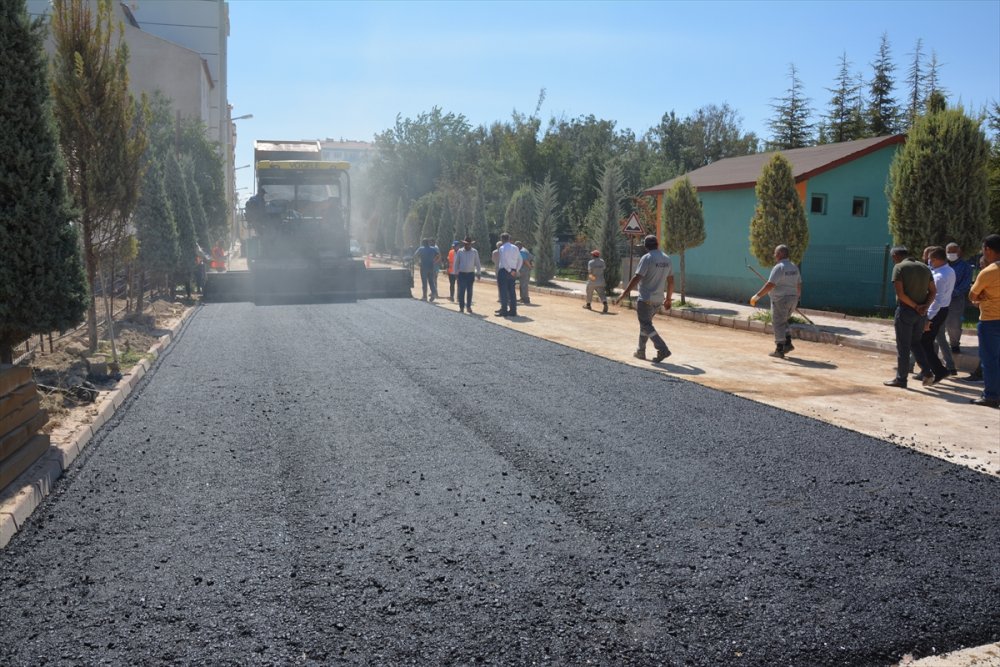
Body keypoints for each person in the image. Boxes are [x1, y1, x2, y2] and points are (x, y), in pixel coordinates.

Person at [615, 234, 673, 363]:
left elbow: (637, 277)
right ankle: (640, 351)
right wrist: (668, 299)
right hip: (658, 300)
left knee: (646, 325)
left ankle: (662, 348)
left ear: (646, 246)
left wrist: (624, 294)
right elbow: (671, 281)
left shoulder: (647, 258)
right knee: (645, 325)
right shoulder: (667, 259)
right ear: (657, 244)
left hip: (646, 299)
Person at [884, 246, 936, 388]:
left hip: (907, 311)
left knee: (903, 347)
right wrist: (924, 306)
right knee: (916, 343)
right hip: (921, 314)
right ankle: (927, 372)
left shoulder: (899, 268)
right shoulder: (924, 267)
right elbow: (933, 291)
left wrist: (915, 306)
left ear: (895, 255)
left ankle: (901, 379)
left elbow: (901, 294)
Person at [750, 244, 802, 358]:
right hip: (792, 299)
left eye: (775, 253)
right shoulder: (794, 267)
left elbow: (770, 285)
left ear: (779, 254)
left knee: (778, 323)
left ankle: (779, 349)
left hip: (781, 300)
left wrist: (757, 296)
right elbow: (799, 284)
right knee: (783, 321)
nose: (774, 255)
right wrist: (797, 298)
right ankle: (787, 343)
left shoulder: (779, 267)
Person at [914, 247, 955, 385]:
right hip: (942, 310)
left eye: (931, 259)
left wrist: (928, 318)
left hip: (935, 312)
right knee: (926, 342)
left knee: (923, 342)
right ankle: (935, 370)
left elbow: (936, 300)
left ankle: (937, 370)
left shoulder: (939, 277)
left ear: (937, 260)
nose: (929, 262)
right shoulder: (949, 271)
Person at [968, 234, 1000, 408]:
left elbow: (973, 295)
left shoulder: (988, 272)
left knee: (990, 360)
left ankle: (991, 396)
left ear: (987, 249)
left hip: (991, 320)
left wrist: (983, 296)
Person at [944, 242, 974, 354]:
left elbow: (965, 284)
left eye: (954, 251)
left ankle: (954, 344)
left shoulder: (966, 267)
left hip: (956, 299)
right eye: (949, 252)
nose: (951, 254)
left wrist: (951, 293)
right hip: (940, 299)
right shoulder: (942, 264)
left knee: (954, 324)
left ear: (959, 252)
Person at [495, 233, 523, 317]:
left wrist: (509, 270)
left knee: (503, 292)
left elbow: (503, 261)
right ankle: (513, 311)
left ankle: (504, 311)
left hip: (504, 271)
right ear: (509, 238)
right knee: (512, 292)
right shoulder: (515, 248)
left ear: (502, 239)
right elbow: (520, 260)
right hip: (513, 272)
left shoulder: (502, 248)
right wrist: (516, 270)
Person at [453, 236, 482, 313]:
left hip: (470, 274)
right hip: (462, 274)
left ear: (471, 244)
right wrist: (455, 272)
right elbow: (456, 263)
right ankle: (461, 307)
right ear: (464, 244)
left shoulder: (474, 252)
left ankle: (468, 307)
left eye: (469, 244)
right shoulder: (460, 251)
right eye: (466, 244)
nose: (467, 245)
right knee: (461, 291)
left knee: (469, 291)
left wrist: (478, 272)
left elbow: (477, 263)